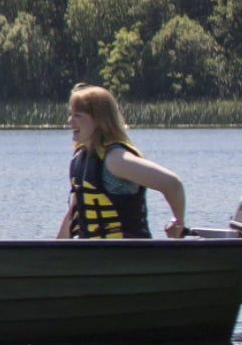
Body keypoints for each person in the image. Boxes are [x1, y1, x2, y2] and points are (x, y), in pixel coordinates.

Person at [56, 85, 187, 239]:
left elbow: (171, 183)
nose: (70, 121)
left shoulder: (115, 159)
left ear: (99, 120)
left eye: (77, 115)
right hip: (94, 258)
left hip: (128, 256)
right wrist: (53, 256)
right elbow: (75, 212)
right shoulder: (80, 158)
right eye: (71, 114)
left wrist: (178, 222)